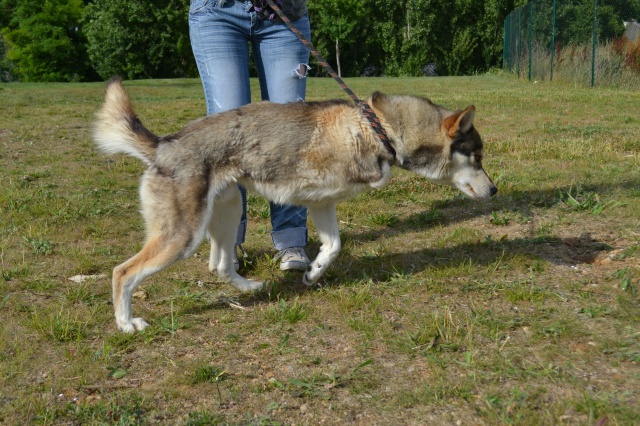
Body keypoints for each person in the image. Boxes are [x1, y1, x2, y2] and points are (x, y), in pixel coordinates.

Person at [189, 0, 311, 271]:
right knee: (226, 136)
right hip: (216, 12)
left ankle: (291, 239)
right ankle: (227, 239)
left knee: (289, 130)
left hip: (285, 11)